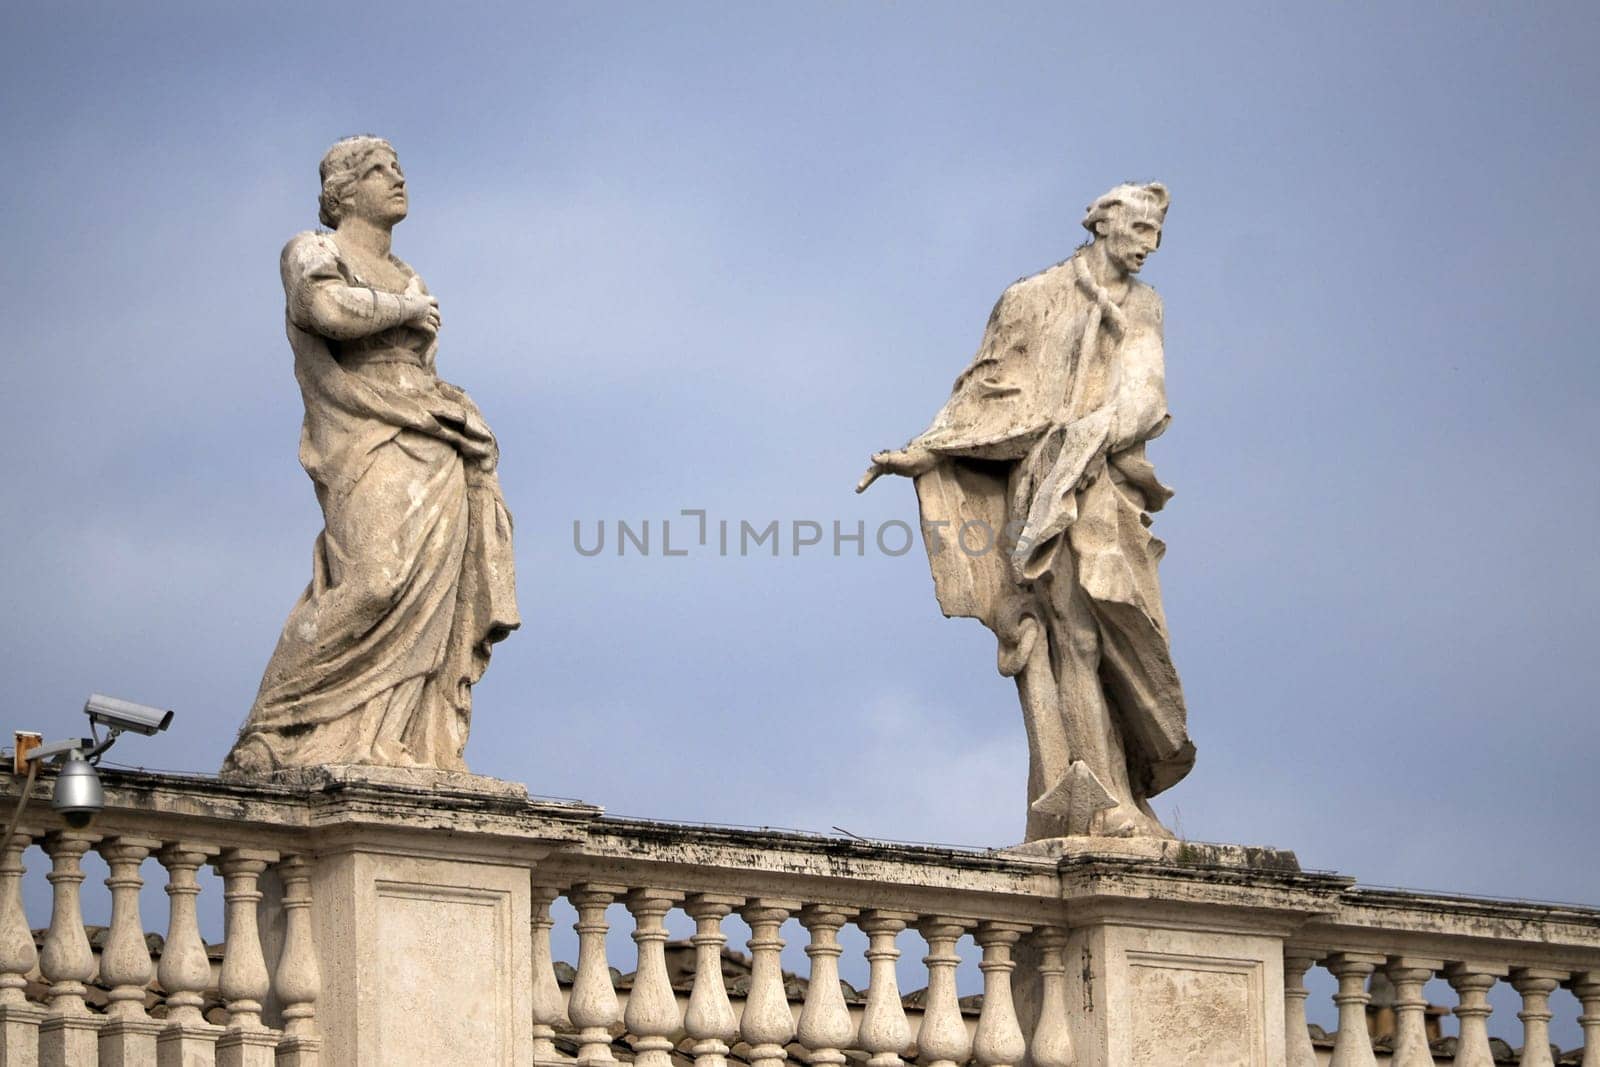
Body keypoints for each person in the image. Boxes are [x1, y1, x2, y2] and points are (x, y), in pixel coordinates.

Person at [858, 182, 1193, 838]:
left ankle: (1118, 790)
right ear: (1101, 223)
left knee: (1127, 633)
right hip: (1045, 488)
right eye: (1139, 228)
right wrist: (927, 450)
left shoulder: (1143, 306)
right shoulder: (1032, 300)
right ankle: (1098, 797)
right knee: (1073, 638)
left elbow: (1146, 397)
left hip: (1101, 489)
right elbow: (987, 393)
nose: (1148, 245)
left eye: (1156, 233)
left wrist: (1093, 430)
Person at [222, 136, 519, 775]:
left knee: (430, 605)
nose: (398, 179)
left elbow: (419, 364)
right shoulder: (313, 250)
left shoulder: (409, 273)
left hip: (431, 441)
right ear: (343, 191)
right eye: (380, 170)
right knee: (372, 582)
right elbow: (322, 306)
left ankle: (401, 741)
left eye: (400, 168)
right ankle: (274, 726)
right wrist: (407, 310)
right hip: (363, 433)